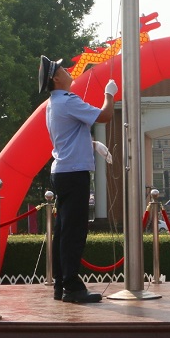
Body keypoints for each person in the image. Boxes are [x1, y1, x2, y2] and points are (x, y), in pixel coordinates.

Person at [40, 55, 117, 304]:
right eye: (62, 68)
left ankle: (61, 284)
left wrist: (92, 144)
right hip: (74, 173)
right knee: (74, 232)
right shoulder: (68, 100)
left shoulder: (54, 103)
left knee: (63, 231)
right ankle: (72, 286)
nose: (67, 70)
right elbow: (104, 116)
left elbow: (68, 135)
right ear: (56, 78)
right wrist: (109, 95)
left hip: (63, 171)